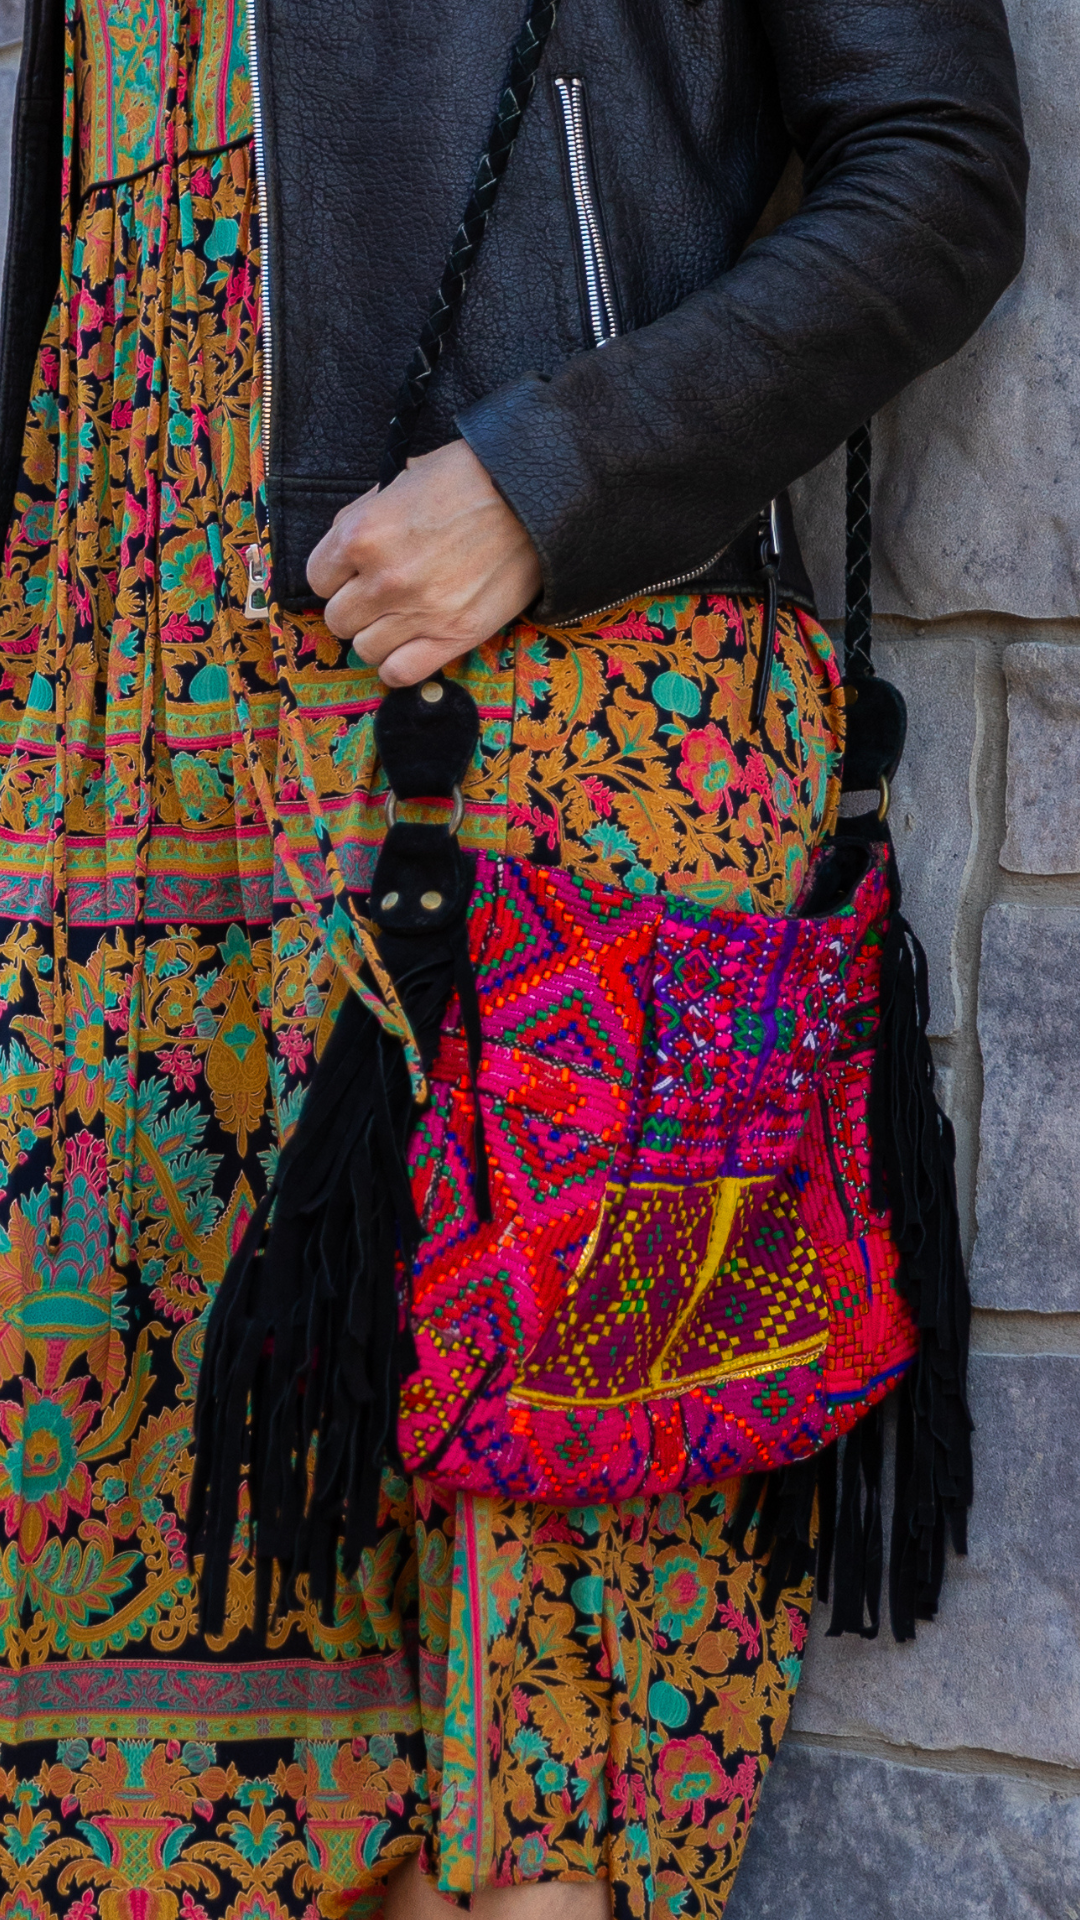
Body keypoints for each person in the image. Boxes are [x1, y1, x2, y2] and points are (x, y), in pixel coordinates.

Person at [0, 2, 1024, 1918]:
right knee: (108, 1770)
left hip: (515, 761)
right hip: (95, 746)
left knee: (525, 1779)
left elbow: (938, 169)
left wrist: (552, 480)